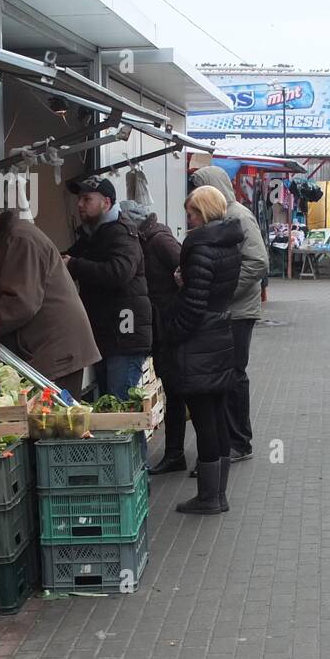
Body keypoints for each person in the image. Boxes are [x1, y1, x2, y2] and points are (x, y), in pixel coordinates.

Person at [0, 209, 100, 399]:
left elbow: (21, 303)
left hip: (55, 348)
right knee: (54, 419)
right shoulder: (10, 238)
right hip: (50, 347)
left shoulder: (18, 239)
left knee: (55, 420)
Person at [167, 185, 244, 514]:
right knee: (217, 414)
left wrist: (172, 332)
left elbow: (194, 305)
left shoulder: (200, 247)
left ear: (207, 211)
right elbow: (212, 291)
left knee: (204, 419)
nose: (190, 219)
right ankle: (219, 493)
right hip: (221, 334)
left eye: (193, 212)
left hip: (198, 343)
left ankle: (208, 497)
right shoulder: (229, 243)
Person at [190, 166, 269, 464]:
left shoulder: (239, 216)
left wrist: (224, 290)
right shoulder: (224, 217)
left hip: (238, 312)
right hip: (229, 311)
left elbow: (258, 262)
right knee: (228, 376)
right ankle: (232, 440)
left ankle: (240, 441)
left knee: (234, 376)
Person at [64, 176, 153, 399]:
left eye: (87, 199)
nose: (80, 204)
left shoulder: (121, 232)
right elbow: (68, 256)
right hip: (107, 335)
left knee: (120, 408)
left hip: (124, 336)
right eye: (79, 199)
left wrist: (74, 265)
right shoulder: (92, 234)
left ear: (106, 202)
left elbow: (119, 272)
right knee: (110, 405)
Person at [128, 201, 188, 476]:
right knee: (174, 393)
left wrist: (176, 311)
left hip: (169, 327)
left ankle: (183, 455)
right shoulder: (148, 238)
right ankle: (175, 454)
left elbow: (186, 270)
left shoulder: (159, 240)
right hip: (163, 327)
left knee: (180, 392)